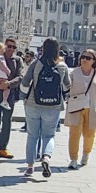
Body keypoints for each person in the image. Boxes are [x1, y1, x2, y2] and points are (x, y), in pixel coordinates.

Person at [20, 36, 70, 177]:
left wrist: (23, 97)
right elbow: (67, 86)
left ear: (43, 48)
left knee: (32, 136)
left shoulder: (36, 64)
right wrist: (66, 98)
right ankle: (46, 158)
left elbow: (25, 82)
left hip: (33, 103)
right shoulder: (62, 66)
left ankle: (30, 167)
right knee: (49, 135)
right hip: (53, 105)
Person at [65, 48, 96, 169]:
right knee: (74, 134)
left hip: (91, 108)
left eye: (88, 58)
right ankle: (73, 159)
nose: (84, 59)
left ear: (93, 61)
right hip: (76, 107)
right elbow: (66, 85)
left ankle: (86, 154)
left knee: (90, 135)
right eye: (82, 57)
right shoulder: (74, 72)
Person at [0, 37, 24, 158]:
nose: (11, 49)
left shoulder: (17, 60)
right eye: (9, 46)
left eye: (14, 47)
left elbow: (20, 76)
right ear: (4, 46)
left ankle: (3, 147)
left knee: (7, 121)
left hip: (9, 94)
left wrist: (8, 84)